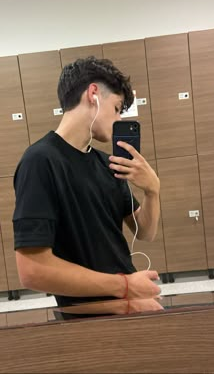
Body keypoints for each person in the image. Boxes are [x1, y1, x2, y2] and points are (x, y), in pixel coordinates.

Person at [13, 56, 163, 318]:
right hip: (90, 320)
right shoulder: (40, 161)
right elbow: (32, 270)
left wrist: (152, 191)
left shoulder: (108, 164)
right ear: (93, 94)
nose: (118, 119)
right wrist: (126, 286)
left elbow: (146, 233)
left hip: (128, 304)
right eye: (117, 108)